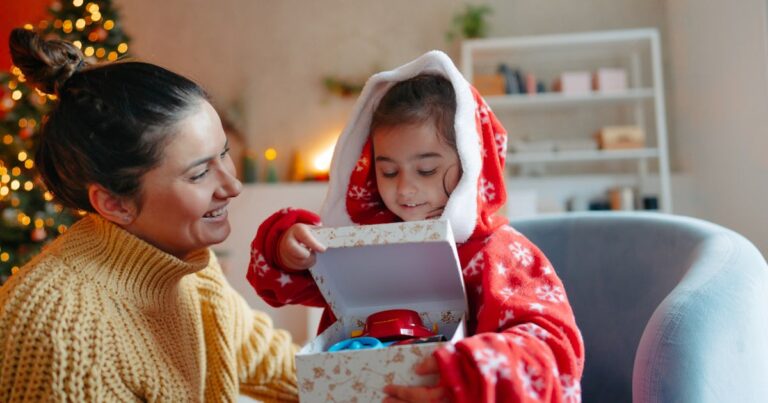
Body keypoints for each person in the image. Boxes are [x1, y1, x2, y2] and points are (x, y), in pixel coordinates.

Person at [248, 51, 584, 402]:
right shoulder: (367, 242)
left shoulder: (503, 254)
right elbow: (289, 283)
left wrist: (469, 374)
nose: (404, 189)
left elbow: (555, 351)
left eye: (426, 170)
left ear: (471, 163)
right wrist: (286, 247)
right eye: (388, 171)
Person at [0, 29, 298, 402]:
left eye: (223, 153)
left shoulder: (185, 261)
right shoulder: (65, 335)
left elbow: (270, 362)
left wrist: (378, 380)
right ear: (114, 204)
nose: (232, 185)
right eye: (200, 173)